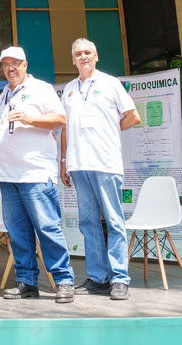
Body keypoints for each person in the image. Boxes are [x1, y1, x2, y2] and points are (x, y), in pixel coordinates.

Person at [59, 39, 141, 301]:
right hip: (78, 164)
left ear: (96, 57)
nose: (82, 57)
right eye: (77, 54)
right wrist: (63, 161)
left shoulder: (110, 82)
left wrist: (108, 129)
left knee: (114, 221)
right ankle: (98, 278)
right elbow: (65, 128)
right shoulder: (69, 89)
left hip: (105, 163)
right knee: (88, 223)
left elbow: (133, 116)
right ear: (72, 60)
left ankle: (119, 279)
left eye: (87, 53)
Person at [0, 46, 76, 303]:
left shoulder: (41, 88)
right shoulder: (4, 93)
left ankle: (63, 280)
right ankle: (27, 281)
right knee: (17, 232)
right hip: (8, 175)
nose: (10, 68)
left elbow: (60, 119)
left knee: (47, 227)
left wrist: (30, 118)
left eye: (15, 63)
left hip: (36, 173)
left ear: (25, 65)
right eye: (5, 65)